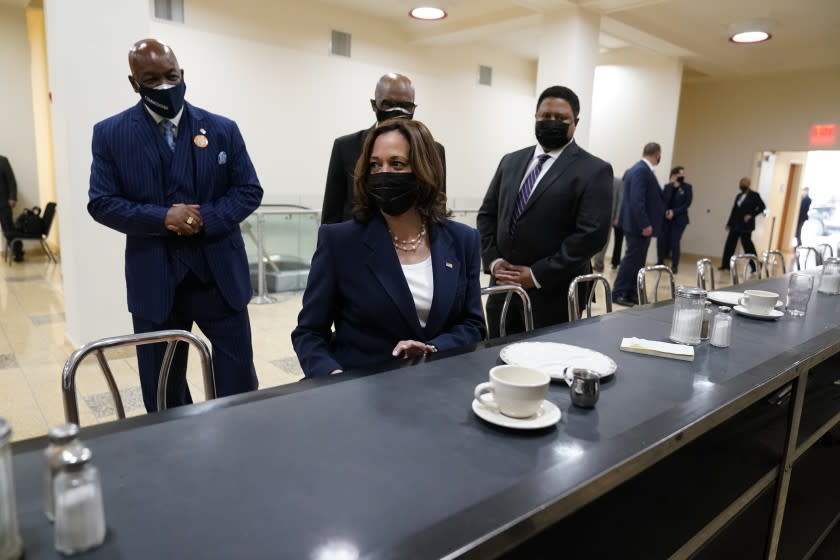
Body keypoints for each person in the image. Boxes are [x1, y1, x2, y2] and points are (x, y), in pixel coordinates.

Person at [88, 39, 263, 412]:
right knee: (162, 389)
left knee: (239, 381)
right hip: (155, 280)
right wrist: (161, 217)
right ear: (134, 83)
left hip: (219, 277)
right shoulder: (110, 134)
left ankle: (242, 449)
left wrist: (205, 219)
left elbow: (248, 190)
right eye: (152, 79)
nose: (165, 85)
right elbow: (101, 202)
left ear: (182, 75)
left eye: (171, 76)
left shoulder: (221, 129)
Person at [293, 119, 484, 377]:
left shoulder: (463, 240)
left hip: (439, 385)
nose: (383, 173)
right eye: (375, 165)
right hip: (361, 389)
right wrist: (333, 377)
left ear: (423, 170)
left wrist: (433, 348)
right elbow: (310, 333)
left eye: (397, 164)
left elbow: (472, 325)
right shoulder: (339, 241)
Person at [477, 85, 613, 335]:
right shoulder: (511, 161)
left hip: (555, 294)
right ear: (536, 117)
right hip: (503, 287)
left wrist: (537, 274)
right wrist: (494, 261)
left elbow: (591, 235)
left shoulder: (594, 170)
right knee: (497, 357)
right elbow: (487, 215)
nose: (552, 122)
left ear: (576, 122)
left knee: (547, 365)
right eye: (546, 116)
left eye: (561, 118)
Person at [321, 73, 446, 225]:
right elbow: (332, 211)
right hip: (356, 241)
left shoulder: (433, 150)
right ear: (374, 105)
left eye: (406, 106)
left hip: (413, 241)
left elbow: (437, 206)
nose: (398, 112)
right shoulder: (346, 146)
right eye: (388, 104)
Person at [612, 143, 665, 307]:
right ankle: (619, 292)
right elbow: (637, 200)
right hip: (638, 226)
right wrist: (645, 224)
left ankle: (632, 293)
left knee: (637, 261)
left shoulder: (640, 169)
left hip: (638, 225)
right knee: (631, 259)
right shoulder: (641, 170)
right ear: (657, 154)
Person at [719, 177, 766, 272]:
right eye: (741, 183)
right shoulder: (739, 196)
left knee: (748, 246)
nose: (742, 185)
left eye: (744, 183)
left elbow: (762, 207)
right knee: (730, 244)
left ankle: (755, 265)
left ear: (749, 184)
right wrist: (729, 223)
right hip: (735, 224)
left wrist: (751, 215)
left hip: (746, 226)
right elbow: (734, 210)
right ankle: (725, 265)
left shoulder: (754, 195)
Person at [656, 166, 693, 274]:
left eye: (683, 174)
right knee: (661, 240)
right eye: (680, 174)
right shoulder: (667, 187)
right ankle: (660, 262)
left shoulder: (687, 187)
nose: (682, 176)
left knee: (675, 241)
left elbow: (687, 203)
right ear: (674, 175)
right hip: (666, 218)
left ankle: (675, 265)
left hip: (679, 220)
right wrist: (666, 212)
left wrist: (674, 212)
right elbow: (662, 202)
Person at [592, 176, 624, 272]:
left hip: (609, 217)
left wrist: (617, 217)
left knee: (604, 241)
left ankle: (599, 264)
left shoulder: (618, 182)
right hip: (596, 216)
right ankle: (597, 263)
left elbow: (620, 200)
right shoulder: (597, 181)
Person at [0, 155, 22, 261]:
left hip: (3, 203)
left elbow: (11, 180)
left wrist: (13, 197)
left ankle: (18, 252)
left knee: (8, 229)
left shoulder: (3, 161)